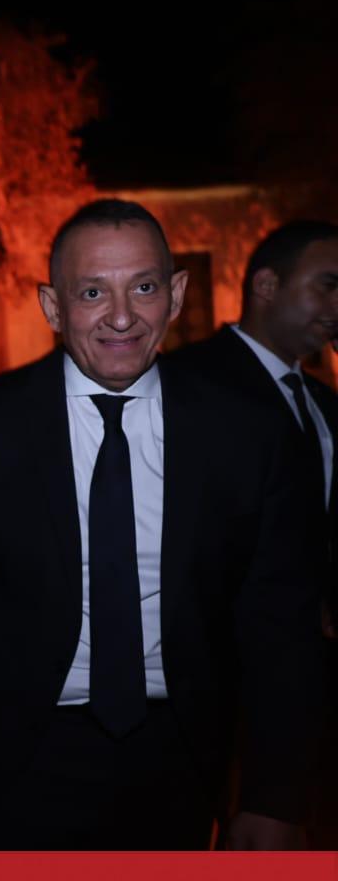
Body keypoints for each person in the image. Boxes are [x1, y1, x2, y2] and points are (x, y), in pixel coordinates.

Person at [0, 199, 325, 849]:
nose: (121, 317)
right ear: (53, 307)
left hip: (184, 759)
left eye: (144, 288)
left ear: (176, 295)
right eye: (93, 292)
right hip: (19, 759)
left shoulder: (246, 430)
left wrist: (274, 797)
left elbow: (280, 624)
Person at [168, 219, 338, 845]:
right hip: (218, 711)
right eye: (328, 285)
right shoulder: (185, 385)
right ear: (266, 284)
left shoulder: (322, 403)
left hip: (306, 708)